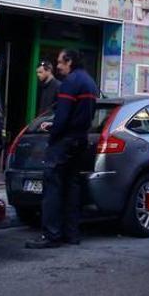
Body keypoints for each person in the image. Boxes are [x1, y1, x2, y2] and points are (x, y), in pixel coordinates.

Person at [26, 49, 97, 249]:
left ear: (70, 61)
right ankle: (71, 233)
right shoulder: (89, 82)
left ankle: (51, 234)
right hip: (80, 139)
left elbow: (63, 115)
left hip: (64, 142)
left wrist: (53, 135)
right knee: (72, 187)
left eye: (60, 62)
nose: (57, 66)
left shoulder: (70, 82)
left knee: (53, 187)